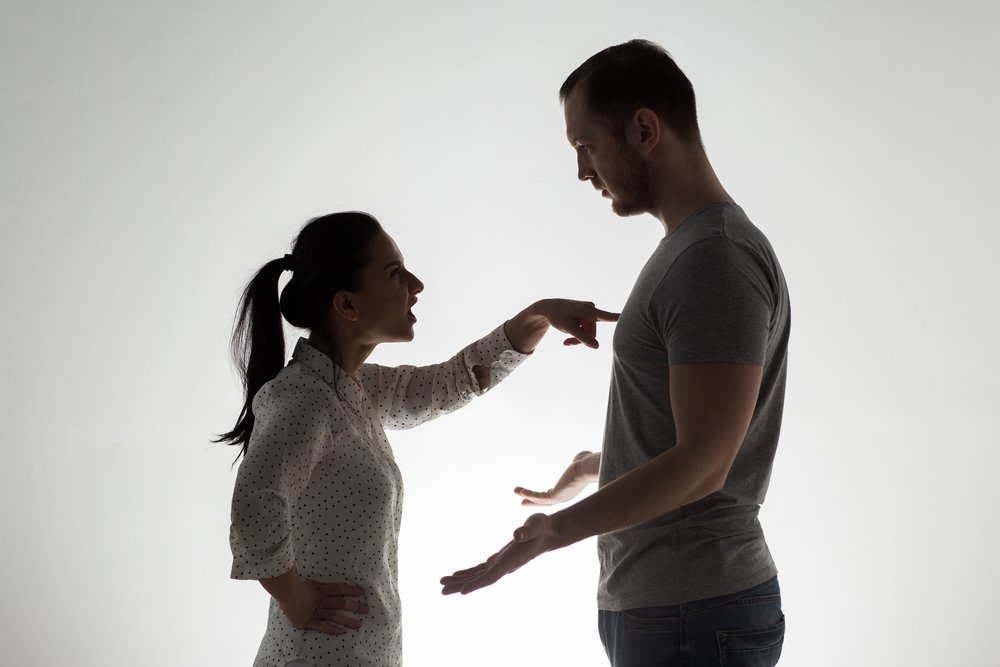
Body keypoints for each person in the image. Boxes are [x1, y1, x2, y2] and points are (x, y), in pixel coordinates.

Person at [441, 39, 791, 667]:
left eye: (586, 146)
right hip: (675, 610)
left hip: (694, 613)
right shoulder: (691, 250)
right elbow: (695, 437)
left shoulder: (712, 259)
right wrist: (600, 464)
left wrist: (555, 532)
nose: (582, 171)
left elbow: (708, 464)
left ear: (644, 129)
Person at [220, 211, 618, 667]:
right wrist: (296, 599)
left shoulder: (354, 389)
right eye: (394, 273)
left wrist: (541, 314)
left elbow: (451, 382)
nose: (416, 285)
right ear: (347, 305)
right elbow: (254, 506)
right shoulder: (303, 399)